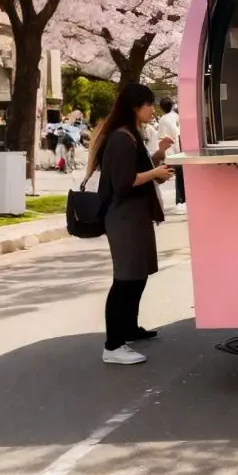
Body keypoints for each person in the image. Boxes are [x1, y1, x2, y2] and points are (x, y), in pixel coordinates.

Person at [86, 82, 175, 366]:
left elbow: (139, 168)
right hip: (124, 217)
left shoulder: (129, 134)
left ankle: (130, 328)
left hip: (135, 215)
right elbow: (125, 182)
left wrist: (158, 157)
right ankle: (113, 345)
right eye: (148, 105)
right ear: (135, 107)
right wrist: (155, 173)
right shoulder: (122, 138)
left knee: (138, 275)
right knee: (125, 279)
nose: (152, 110)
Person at [157, 96, 184, 212]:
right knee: (181, 176)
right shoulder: (177, 116)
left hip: (171, 151)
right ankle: (182, 200)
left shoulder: (163, 120)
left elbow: (161, 137)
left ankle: (180, 201)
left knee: (178, 176)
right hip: (181, 149)